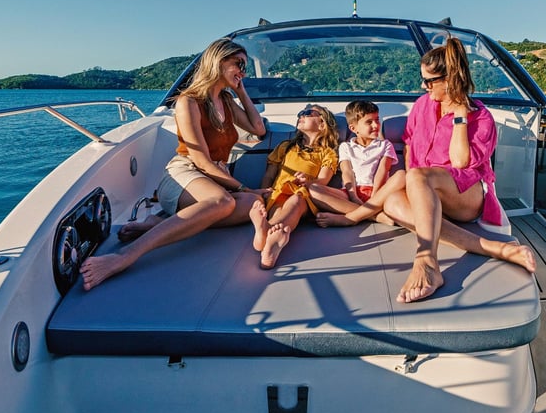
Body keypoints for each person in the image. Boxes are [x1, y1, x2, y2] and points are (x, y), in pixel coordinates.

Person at [79, 38, 267, 290]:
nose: (243, 71)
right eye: (239, 64)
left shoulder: (228, 102)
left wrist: (240, 90)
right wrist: (245, 188)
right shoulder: (189, 101)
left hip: (215, 179)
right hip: (184, 173)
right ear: (219, 61)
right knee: (225, 202)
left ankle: (158, 224)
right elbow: (200, 160)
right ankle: (124, 257)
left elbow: (258, 128)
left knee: (253, 204)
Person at [380, 37, 537, 303]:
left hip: (466, 196)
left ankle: (427, 261)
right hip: (428, 192)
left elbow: (461, 161)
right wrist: (413, 186)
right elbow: (408, 145)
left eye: (429, 81)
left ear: (450, 79)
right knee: (392, 201)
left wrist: (460, 116)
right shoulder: (422, 106)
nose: (423, 86)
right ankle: (493, 248)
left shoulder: (482, 118)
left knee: (418, 175)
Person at [250, 104, 339, 269]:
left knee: (296, 201)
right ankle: (267, 240)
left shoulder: (327, 153)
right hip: (278, 192)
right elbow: (270, 174)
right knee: (277, 210)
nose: (301, 115)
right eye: (301, 113)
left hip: (304, 194)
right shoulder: (286, 146)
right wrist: (265, 190)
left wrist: (308, 181)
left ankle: (263, 234)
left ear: (322, 124)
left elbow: (323, 181)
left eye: (308, 113)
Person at [311, 100, 403, 227]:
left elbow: (382, 171)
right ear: (353, 128)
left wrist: (374, 197)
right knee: (313, 190)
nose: (376, 125)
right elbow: (347, 172)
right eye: (369, 122)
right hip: (350, 193)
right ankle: (374, 216)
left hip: (378, 192)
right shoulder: (346, 147)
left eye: (377, 120)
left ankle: (351, 217)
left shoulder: (385, 145)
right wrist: (353, 196)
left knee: (401, 175)